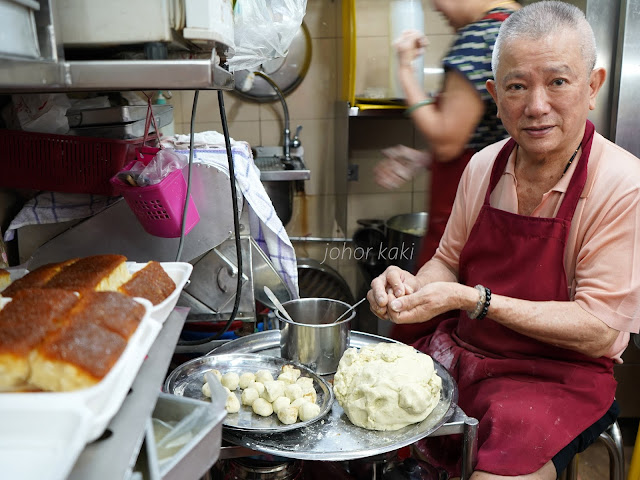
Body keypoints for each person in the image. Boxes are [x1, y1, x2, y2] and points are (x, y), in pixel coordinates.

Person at [368, 1, 640, 478]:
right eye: (517, 86)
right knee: (367, 422)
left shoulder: (622, 184)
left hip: (556, 379)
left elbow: (598, 328)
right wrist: (415, 287)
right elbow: (448, 260)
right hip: (463, 354)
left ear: (592, 86)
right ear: (495, 94)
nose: (536, 106)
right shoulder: (482, 167)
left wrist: (475, 301)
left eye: (558, 81)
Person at [375, 0, 520, 345]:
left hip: (464, 218)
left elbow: (447, 140)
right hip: (500, 209)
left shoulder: (480, 36)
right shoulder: (517, 26)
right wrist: (427, 160)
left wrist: (406, 71)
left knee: (422, 322)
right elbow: (489, 137)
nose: (434, 5)